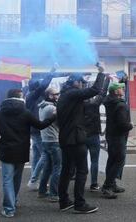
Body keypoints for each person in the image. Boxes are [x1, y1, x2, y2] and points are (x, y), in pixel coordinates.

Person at [0, 89, 56, 218]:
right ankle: (13, 201)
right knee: (16, 178)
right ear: (20, 97)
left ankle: (9, 209)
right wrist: (53, 116)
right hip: (21, 150)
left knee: (7, 180)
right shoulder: (25, 113)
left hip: (6, 151)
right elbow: (40, 125)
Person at [57, 67, 105, 214]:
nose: (83, 85)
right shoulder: (72, 94)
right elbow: (94, 90)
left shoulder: (65, 96)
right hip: (75, 139)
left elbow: (92, 102)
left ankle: (64, 201)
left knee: (66, 171)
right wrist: (101, 73)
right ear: (75, 82)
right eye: (81, 82)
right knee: (82, 171)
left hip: (66, 138)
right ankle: (80, 203)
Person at [101, 82, 133, 199]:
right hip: (118, 136)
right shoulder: (120, 105)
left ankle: (112, 184)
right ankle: (107, 186)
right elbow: (122, 124)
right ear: (116, 92)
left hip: (111, 134)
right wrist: (130, 125)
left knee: (112, 160)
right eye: (121, 88)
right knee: (119, 160)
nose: (123, 89)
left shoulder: (109, 102)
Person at [26, 70, 54, 190]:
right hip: (38, 129)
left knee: (37, 155)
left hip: (34, 129)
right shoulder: (34, 95)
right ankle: (33, 181)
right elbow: (44, 85)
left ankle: (34, 180)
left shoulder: (30, 96)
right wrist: (52, 72)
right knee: (45, 154)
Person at [84, 77, 110, 192]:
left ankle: (80, 182)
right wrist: (107, 80)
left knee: (82, 160)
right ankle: (94, 184)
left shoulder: (79, 105)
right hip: (93, 135)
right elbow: (102, 93)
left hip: (81, 135)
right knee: (95, 160)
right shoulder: (94, 104)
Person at [37, 87, 61, 202]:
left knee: (48, 167)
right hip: (54, 140)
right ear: (50, 96)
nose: (58, 96)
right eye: (56, 94)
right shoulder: (51, 108)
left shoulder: (41, 107)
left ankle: (42, 191)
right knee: (57, 167)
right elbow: (60, 122)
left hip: (45, 140)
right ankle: (53, 194)